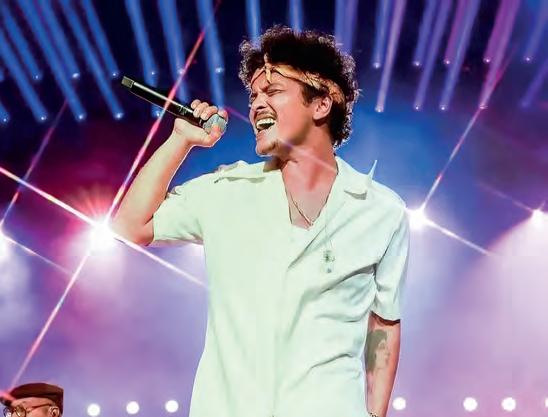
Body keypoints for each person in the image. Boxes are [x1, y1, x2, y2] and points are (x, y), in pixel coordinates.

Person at [112, 25, 409, 417]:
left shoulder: (381, 211)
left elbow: (384, 325)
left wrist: (375, 414)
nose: (256, 105)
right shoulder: (227, 191)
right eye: (253, 96)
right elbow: (130, 225)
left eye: (273, 91)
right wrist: (180, 139)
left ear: (321, 104)